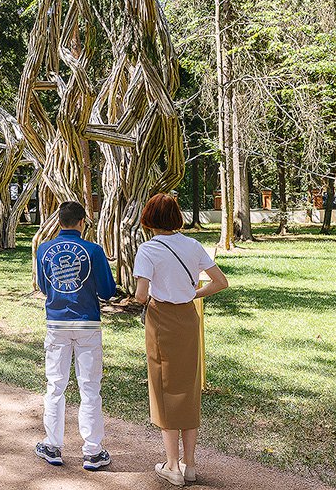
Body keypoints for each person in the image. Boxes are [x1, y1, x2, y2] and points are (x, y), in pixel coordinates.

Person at [133, 193, 229, 486]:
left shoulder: (148, 249)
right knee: (188, 388)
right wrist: (192, 294)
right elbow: (220, 282)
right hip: (189, 318)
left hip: (161, 319)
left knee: (165, 389)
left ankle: (172, 466)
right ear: (176, 217)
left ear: (150, 218)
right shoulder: (193, 245)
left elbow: (140, 294)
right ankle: (190, 464)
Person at [34, 201, 116, 471]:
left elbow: (46, 287)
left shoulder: (44, 250)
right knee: (90, 388)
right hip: (87, 324)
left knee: (55, 386)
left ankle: (53, 445)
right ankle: (93, 451)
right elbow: (107, 291)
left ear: (59, 222)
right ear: (83, 222)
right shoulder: (93, 250)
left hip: (56, 323)